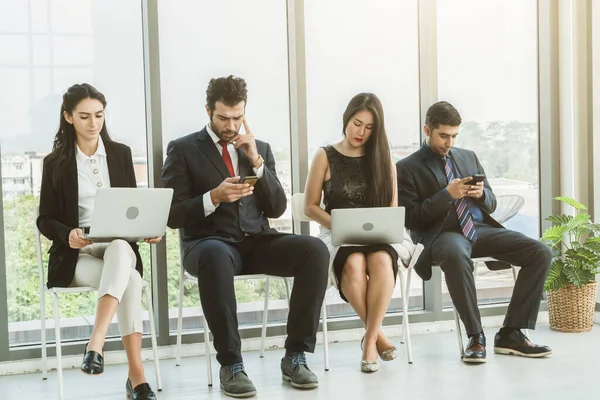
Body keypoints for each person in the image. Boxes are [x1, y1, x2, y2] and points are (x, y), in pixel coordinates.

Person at [161, 75, 329, 398]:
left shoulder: (259, 148)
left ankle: (295, 355)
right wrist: (214, 197)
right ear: (208, 110)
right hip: (208, 244)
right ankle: (231, 364)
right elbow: (172, 214)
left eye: (238, 117)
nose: (231, 125)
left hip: (256, 240)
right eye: (223, 117)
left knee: (316, 250)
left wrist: (256, 161)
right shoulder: (182, 150)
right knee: (214, 255)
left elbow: (278, 206)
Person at [396, 101, 552, 363]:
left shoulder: (468, 157)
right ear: (427, 129)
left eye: (454, 135)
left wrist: (481, 195)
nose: (450, 142)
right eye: (443, 135)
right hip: (440, 235)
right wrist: (446, 195)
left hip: (478, 230)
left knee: (540, 252)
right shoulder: (407, 167)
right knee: (457, 254)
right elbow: (411, 218)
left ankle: (511, 333)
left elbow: (492, 203)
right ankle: (475, 336)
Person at [37, 83, 160, 400]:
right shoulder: (56, 163)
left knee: (121, 248)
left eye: (99, 115)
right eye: (84, 116)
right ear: (68, 118)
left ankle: (97, 342)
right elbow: (45, 218)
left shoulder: (120, 154)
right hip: (78, 255)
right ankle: (137, 380)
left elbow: (132, 208)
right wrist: (67, 234)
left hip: (116, 246)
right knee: (129, 282)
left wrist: (149, 226)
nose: (93, 123)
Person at [303, 93, 422, 373]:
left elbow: (392, 207)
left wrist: (376, 227)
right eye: (357, 123)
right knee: (354, 263)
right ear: (347, 119)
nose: (361, 132)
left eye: (369, 128)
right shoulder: (325, 155)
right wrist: (340, 225)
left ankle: (368, 341)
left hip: (380, 236)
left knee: (381, 261)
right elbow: (309, 207)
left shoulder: (383, 158)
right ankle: (378, 336)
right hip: (339, 235)